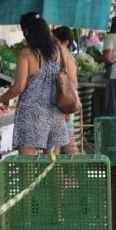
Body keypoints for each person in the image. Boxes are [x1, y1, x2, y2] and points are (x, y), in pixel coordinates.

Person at [0, 13, 76, 154]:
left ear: (26, 31)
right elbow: (72, 80)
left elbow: (18, 87)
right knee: (50, 163)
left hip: (31, 114)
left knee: (27, 165)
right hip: (54, 113)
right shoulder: (60, 52)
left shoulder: (26, 54)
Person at [53, 26, 80, 154]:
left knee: (68, 138)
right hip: (68, 98)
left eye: (56, 40)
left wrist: (66, 104)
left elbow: (73, 81)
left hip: (66, 99)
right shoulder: (67, 54)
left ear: (64, 41)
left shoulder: (64, 53)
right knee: (64, 136)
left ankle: (76, 169)